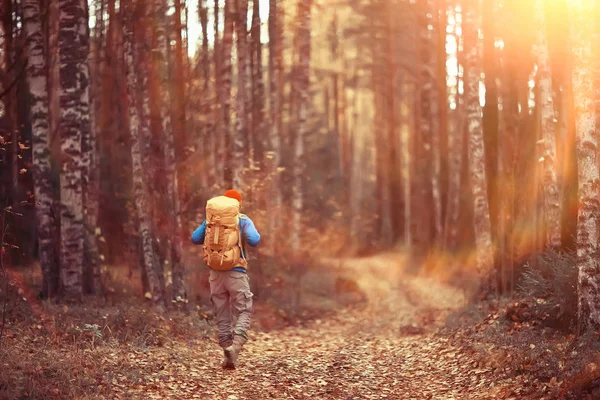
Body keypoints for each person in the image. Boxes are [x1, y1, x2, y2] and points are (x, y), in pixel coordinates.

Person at [191, 189, 261, 369]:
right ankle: (235, 346)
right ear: (238, 203)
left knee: (222, 314)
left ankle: (227, 354)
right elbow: (254, 239)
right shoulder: (242, 219)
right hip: (236, 272)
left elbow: (195, 238)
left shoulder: (211, 219)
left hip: (215, 274)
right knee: (245, 310)